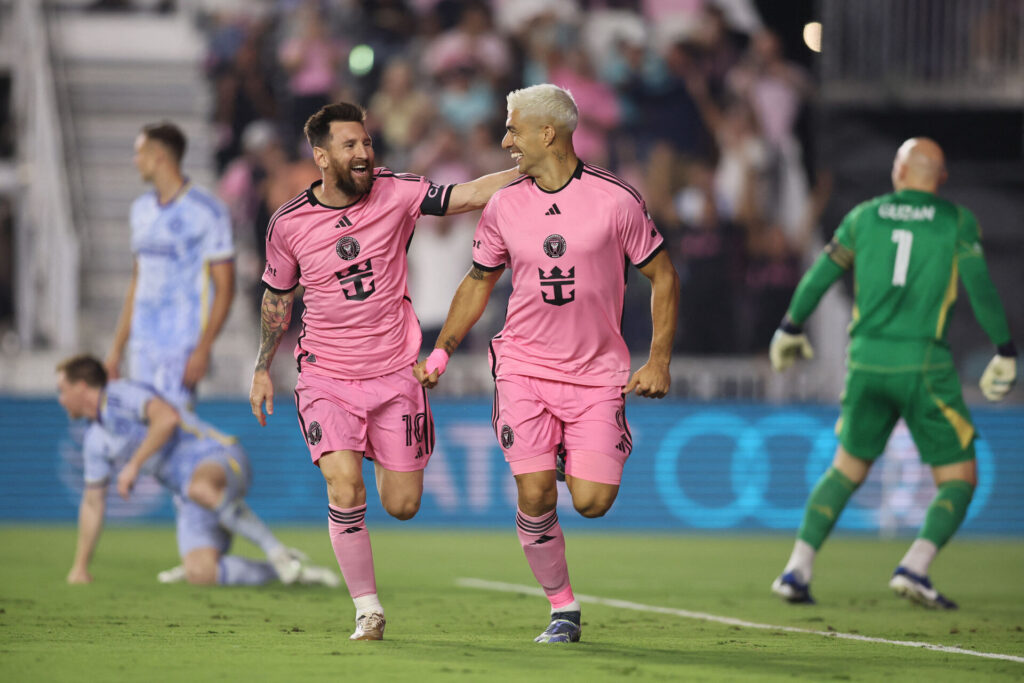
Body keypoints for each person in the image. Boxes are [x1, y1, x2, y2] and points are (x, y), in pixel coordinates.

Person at [413, 84, 680, 643]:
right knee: (534, 492)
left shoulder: (616, 200)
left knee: (591, 502)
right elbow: (478, 282)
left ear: (547, 133)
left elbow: (663, 276)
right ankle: (563, 609)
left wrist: (658, 360)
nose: (506, 139)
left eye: (513, 129)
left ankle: (579, 454)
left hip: (596, 373)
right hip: (523, 367)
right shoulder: (505, 203)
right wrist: (441, 350)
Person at [248, 102, 519, 641]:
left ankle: (378, 447)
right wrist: (262, 367)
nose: (364, 152)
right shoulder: (289, 223)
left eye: (366, 142)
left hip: (396, 375)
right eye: (350, 145)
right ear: (321, 156)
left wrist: (531, 166)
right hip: (325, 376)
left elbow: (463, 194)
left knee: (401, 505)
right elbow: (277, 299)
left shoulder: (397, 192)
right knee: (344, 486)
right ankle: (367, 608)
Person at [768, 137, 1017, 609]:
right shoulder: (956, 221)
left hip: (864, 363)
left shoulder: (864, 216)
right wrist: (1004, 349)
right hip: (923, 364)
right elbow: (980, 288)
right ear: (940, 180)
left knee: (846, 469)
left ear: (898, 174)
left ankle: (796, 568)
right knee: (960, 476)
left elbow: (822, 273)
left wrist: (789, 326)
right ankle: (915, 566)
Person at [58, 354, 338, 589]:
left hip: (216, 455)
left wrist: (133, 465)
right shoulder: (95, 440)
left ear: (81, 387)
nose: (61, 399)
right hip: (189, 492)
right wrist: (80, 567)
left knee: (200, 487)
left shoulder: (119, 395)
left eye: (63, 390)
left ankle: (275, 551)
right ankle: (290, 573)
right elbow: (93, 503)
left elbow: (166, 419)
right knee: (201, 573)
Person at [105, 122, 235, 409]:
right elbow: (137, 282)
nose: (135, 160)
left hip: (181, 344)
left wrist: (203, 348)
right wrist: (116, 350)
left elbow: (225, 287)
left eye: (140, 153)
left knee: (171, 430)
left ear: (159, 156)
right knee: (144, 429)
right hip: (142, 344)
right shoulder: (140, 210)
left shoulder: (207, 211)